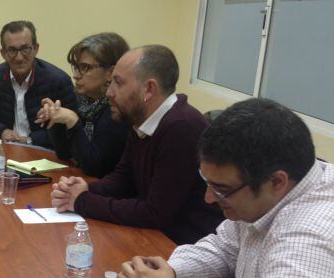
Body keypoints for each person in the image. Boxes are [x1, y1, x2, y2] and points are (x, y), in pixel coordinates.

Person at [118, 99, 334, 278]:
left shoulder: (312, 235)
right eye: (206, 181)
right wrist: (170, 271)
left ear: (277, 182)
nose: (208, 198)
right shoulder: (280, 188)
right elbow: (224, 247)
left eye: (221, 189)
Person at [51, 45, 223, 244]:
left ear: (148, 89)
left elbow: (155, 213)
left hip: (183, 245)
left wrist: (82, 201)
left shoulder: (181, 127)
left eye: (118, 83)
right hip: (154, 237)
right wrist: (88, 188)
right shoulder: (142, 119)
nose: (109, 92)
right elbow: (124, 178)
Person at [36, 32, 131, 177]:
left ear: (110, 73)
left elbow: (94, 168)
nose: (76, 75)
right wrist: (56, 120)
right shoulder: (82, 100)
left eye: (85, 67)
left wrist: (72, 121)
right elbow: (64, 154)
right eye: (76, 67)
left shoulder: (117, 109)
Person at [0, 20, 76, 148]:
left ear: (36, 49)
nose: (19, 57)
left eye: (25, 49)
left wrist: (29, 140)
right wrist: (1, 131)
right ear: (3, 53)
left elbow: (71, 127)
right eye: (12, 50)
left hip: (46, 153)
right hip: (5, 150)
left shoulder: (59, 81)